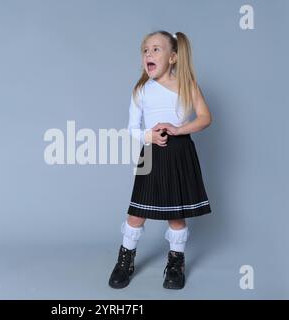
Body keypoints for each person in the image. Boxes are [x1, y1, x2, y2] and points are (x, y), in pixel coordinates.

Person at [108, 30, 212, 290]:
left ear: (173, 57)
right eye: (145, 50)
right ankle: (125, 261)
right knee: (136, 213)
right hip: (152, 153)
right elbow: (131, 128)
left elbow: (204, 117)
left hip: (180, 152)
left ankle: (175, 265)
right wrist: (149, 136)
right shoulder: (141, 90)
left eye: (156, 49)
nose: (148, 54)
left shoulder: (187, 85)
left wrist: (178, 129)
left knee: (176, 215)